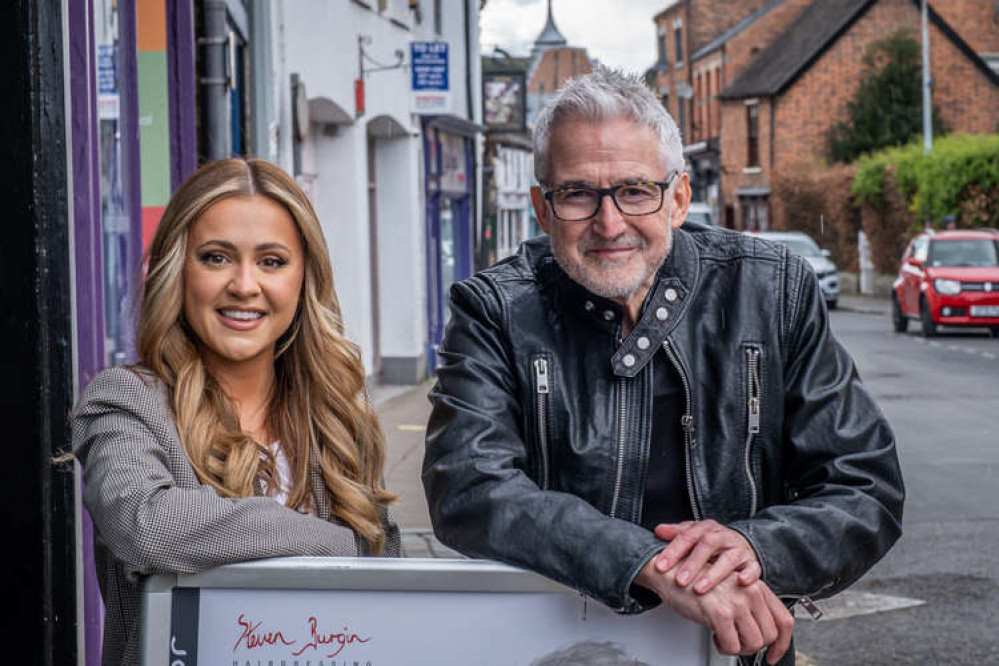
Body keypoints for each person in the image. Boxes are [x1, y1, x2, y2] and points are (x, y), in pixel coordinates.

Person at [423, 68, 903, 666]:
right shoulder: (494, 308)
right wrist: (649, 562)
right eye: (577, 193)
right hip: (551, 650)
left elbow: (863, 485)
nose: (609, 222)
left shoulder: (773, 289)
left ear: (677, 199)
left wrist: (749, 547)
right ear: (543, 210)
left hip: (733, 652)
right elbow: (467, 486)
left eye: (635, 190)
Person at [72, 158, 399, 665]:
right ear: (177, 268)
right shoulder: (125, 401)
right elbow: (148, 527)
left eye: (271, 261)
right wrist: (334, 546)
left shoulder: (336, 412)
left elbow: (388, 581)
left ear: (303, 277)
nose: (245, 285)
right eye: (216, 257)